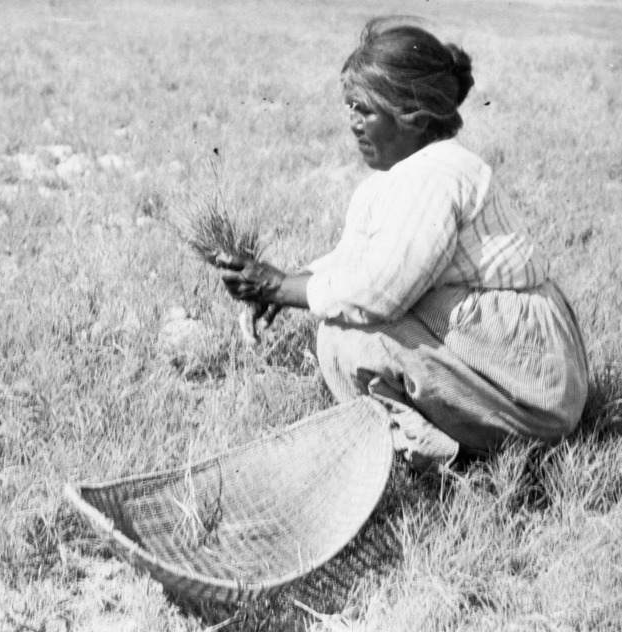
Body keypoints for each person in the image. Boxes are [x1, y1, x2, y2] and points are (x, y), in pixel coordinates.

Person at [218, 18, 589, 471]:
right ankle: (452, 441)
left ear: (413, 116)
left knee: (347, 340)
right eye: (350, 107)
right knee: (345, 320)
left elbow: (380, 289)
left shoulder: (434, 176)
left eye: (364, 110)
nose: (352, 123)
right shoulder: (405, 176)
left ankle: (432, 455)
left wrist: (280, 288)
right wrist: (289, 284)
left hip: (532, 386)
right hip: (529, 377)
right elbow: (357, 262)